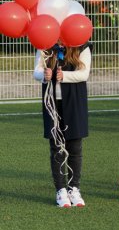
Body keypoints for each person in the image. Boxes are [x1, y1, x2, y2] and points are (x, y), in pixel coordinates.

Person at [33, 42, 91, 208]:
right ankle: (61, 190)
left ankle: (74, 188)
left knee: (75, 147)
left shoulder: (83, 46)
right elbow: (36, 71)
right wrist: (44, 74)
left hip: (74, 102)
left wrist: (63, 76)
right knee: (56, 146)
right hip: (52, 102)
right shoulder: (44, 43)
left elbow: (84, 73)